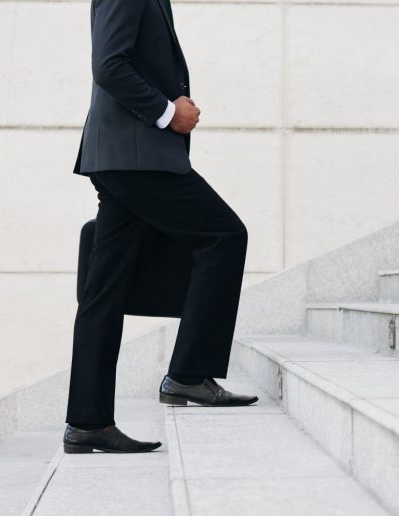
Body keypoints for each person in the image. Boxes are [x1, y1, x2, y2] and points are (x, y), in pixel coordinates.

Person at [63, 0, 258, 455]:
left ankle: (87, 422)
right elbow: (109, 65)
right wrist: (169, 113)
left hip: (124, 156)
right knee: (224, 235)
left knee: (103, 290)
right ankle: (188, 374)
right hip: (136, 157)